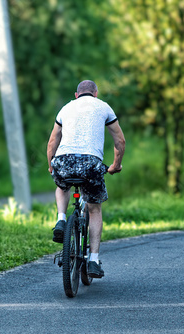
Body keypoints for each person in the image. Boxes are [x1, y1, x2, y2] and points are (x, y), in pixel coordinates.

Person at [47, 80, 126, 278]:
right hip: (91, 163)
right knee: (94, 207)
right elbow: (120, 140)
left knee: (62, 185)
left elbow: (52, 141)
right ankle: (93, 260)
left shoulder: (65, 108)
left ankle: (61, 220)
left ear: (76, 95)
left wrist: (51, 165)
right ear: (95, 94)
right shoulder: (104, 107)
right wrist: (116, 165)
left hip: (63, 160)